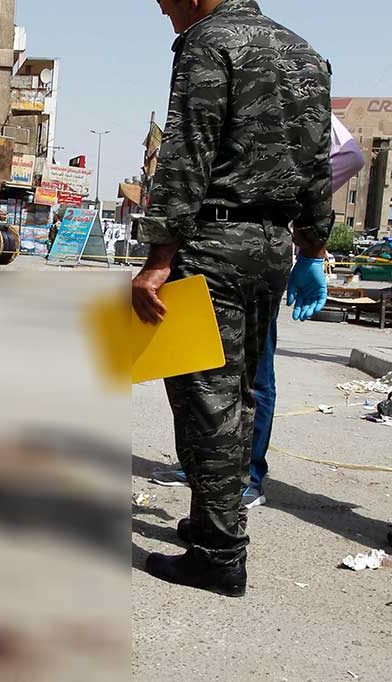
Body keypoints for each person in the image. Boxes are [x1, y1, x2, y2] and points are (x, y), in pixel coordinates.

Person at [132, 0, 333, 597]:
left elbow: (185, 155)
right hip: (271, 246)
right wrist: (313, 247)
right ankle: (210, 519)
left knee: (205, 397)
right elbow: (319, 161)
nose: (164, 11)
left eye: (166, 1)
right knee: (240, 391)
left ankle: (219, 553)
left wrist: (158, 258)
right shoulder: (303, 50)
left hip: (213, 243)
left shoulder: (208, 42)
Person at [151, 114, 366, 508]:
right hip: (203, 243)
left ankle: (246, 474)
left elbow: (348, 157)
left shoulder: (289, 81)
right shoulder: (232, 80)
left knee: (252, 371)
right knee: (192, 366)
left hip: (253, 243)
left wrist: (294, 211)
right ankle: (202, 464)